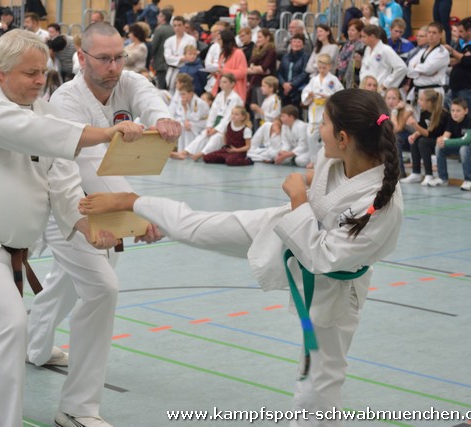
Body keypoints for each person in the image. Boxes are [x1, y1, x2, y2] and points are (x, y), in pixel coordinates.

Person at [79, 88, 404, 427]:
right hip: (284, 230)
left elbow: (322, 257)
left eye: (321, 123)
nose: (315, 129)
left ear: (342, 136)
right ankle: (132, 201)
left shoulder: (382, 206)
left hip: (334, 288)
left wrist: (297, 197)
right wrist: (304, 186)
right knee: (198, 227)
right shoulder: (334, 156)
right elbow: (328, 191)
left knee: (320, 378)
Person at [0, 29, 144, 427]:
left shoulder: (45, 112)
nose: (39, 81)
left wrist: (86, 226)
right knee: (9, 322)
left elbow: (63, 180)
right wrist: (103, 134)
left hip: (14, 246)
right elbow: (29, 133)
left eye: (43, 73)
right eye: (30, 73)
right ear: (0, 72)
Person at [26, 22, 181, 427]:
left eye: (119, 57)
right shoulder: (65, 101)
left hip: (101, 199)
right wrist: (138, 215)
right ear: (81, 57)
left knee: (66, 280)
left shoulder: (126, 82)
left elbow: (147, 94)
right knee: (101, 289)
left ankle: (36, 346)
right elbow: (88, 168)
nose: (114, 66)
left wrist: (162, 119)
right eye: (104, 58)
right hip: (65, 208)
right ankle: (77, 408)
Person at [183, 73, 244, 161]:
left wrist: (216, 129)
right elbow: (212, 113)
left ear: (232, 84)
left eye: (225, 82)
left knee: (216, 137)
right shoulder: (219, 95)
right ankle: (186, 152)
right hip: (216, 124)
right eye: (221, 82)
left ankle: (201, 154)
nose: (222, 84)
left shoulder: (235, 98)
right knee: (204, 134)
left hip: (229, 127)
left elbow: (228, 118)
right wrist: (209, 127)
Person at [431, 98, 471, 190]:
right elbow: (446, 136)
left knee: (464, 148)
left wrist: (447, 142)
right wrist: (441, 140)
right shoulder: (451, 120)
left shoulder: (470, 120)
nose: (455, 113)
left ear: (466, 111)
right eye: (452, 110)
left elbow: (467, 140)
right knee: (440, 147)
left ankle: (469, 180)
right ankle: (443, 178)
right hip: (461, 147)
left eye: (458, 111)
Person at [301, 53, 344, 167]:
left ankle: (328, 160)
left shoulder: (333, 80)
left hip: (328, 111)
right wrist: (309, 96)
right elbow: (305, 94)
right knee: (311, 136)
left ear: (330, 66)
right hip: (315, 110)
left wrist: (329, 97)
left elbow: (341, 94)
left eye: (324, 68)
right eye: (319, 68)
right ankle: (314, 160)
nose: (322, 70)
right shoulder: (314, 80)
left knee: (328, 136)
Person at [401, 89, 449, 185]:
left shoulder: (442, 114)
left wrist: (414, 125)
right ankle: (416, 172)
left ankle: (429, 174)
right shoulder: (424, 112)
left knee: (423, 141)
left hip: (443, 140)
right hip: (431, 139)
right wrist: (414, 135)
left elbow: (429, 134)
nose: (418, 102)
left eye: (421, 100)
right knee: (415, 140)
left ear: (429, 102)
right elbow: (422, 128)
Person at [445, 17, 471, 120]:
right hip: (455, 86)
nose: (458, 34)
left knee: (468, 117)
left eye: (461, 31)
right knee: (454, 116)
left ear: (469, 31)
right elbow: (453, 61)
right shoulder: (461, 44)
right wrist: (461, 57)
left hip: (468, 87)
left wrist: (453, 51)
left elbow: (468, 61)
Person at [406, 22, 449, 109]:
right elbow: (409, 70)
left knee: (430, 121)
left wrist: (417, 68)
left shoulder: (442, 52)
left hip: (433, 91)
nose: (431, 35)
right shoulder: (422, 51)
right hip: (418, 90)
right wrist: (421, 71)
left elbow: (428, 69)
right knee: (414, 121)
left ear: (440, 35)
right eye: (429, 32)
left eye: (434, 33)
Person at [360, 24, 407, 94]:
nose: (361, 39)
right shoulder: (367, 49)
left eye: (364, 37)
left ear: (372, 37)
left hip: (379, 90)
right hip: (366, 90)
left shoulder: (386, 49)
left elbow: (402, 67)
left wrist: (385, 84)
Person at [170, 80, 209, 156]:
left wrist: (185, 109)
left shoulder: (199, 102)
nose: (182, 96)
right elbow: (180, 115)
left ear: (191, 93)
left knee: (188, 126)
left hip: (202, 123)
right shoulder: (185, 101)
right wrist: (185, 120)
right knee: (181, 125)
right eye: (181, 94)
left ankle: (188, 152)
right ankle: (181, 150)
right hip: (192, 122)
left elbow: (195, 117)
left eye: (184, 94)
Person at [384, 86, 415, 178]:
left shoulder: (406, 110)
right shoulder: (383, 110)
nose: (391, 101)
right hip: (394, 135)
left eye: (394, 98)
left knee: (395, 139)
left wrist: (394, 111)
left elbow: (397, 129)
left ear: (399, 100)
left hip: (409, 136)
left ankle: (400, 172)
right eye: (388, 98)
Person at [212, 30, 247, 101]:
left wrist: (223, 71)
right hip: (221, 88)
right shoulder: (222, 54)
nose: (217, 42)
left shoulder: (238, 53)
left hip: (234, 89)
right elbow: (220, 72)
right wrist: (215, 73)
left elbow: (242, 72)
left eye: (219, 39)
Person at [277, 33, 309, 111]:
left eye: (298, 42)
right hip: (284, 90)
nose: (296, 44)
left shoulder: (306, 56)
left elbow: (304, 73)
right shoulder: (285, 57)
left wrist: (291, 85)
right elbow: (280, 72)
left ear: (303, 45)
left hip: (297, 90)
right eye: (294, 41)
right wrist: (284, 84)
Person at [164, 16, 196, 91]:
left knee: (183, 90)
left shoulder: (191, 40)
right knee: (170, 91)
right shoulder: (169, 40)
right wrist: (182, 58)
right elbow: (167, 58)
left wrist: (175, 57)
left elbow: (189, 57)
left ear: (184, 26)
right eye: (175, 25)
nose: (177, 28)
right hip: (171, 70)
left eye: (179, 25)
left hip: (185, 70)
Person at [150, 9, 174, 90]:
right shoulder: (173, 29)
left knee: (161, 88)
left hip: (160, 62)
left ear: (163, 18)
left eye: (159, 16)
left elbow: (153, 46)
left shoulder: (159, 29)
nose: (157, 17)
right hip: (171, 63)